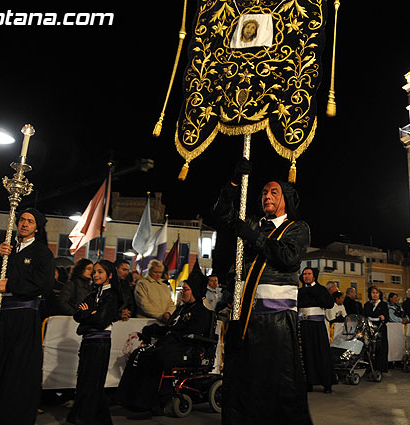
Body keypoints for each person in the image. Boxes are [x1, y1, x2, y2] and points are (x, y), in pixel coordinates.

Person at [213, 159, 312, 425]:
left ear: (285, 199)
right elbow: (222, 213)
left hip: (277, 322)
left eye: (273, 192)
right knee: (244, 381)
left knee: (278, 383)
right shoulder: (254, 223)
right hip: (245, 318)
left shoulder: (297, 228)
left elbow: (288, 257)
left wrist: (252, 237)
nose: (266, 196)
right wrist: (233, 183)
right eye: (264, 192)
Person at [0, 208, 54, 424]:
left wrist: (12, 285)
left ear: (37, 228)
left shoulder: (42, 252)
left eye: (30, 221)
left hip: (24, 317)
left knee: (18, 368)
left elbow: (45, 285)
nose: (24, 224)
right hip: (1, 316)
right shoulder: (7, 250)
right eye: (22, 220)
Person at [116, 282, 210, 416]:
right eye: (182, 289)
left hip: (184, 348)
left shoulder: (201, 312)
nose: (182, 292)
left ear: (194, 291)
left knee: (155, 358)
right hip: (169, 344)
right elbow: (169, 328)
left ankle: (150, 405)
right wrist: (153, 330)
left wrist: (171, 335)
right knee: (138, 354)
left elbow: (191, 333)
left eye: (185, 289)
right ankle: (127, 399)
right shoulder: (181, 309)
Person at [66, 260, 118, 425]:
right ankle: (94, 418)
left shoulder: (112, 295)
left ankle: (86, 418)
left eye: (100, 272)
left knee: (92, 382)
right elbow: (77, 315)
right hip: (87, 342)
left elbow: (101, 320)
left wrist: (87, 314)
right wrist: (90, 313)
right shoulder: (92, 294)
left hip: (100, 344)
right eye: (94, 272)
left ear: (109, 275)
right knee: (84, 380)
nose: (96, 275)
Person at [298, 267, 334, 394]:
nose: (306, 276)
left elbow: (329, 304)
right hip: (303, 325)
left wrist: (316, 293)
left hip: (317, 326)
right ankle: (309, 382)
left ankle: (327, 383)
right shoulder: (300, 291)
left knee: (321, 352)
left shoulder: (321, 289)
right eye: (304, 274)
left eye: (309, 274)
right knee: (306, 353)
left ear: (314, 276)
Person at [363, 286, 389, 373]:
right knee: (369, 348)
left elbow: (386, 317)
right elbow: (364, 316)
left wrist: (383, 318)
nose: (375, 295)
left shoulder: (383, 304)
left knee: (380, 348)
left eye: (376, 293)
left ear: (379, 294)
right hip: (369, 329)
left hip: (380, 329)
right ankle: (369, 367)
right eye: (373, 293)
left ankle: (380, 368)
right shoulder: (367, 305)